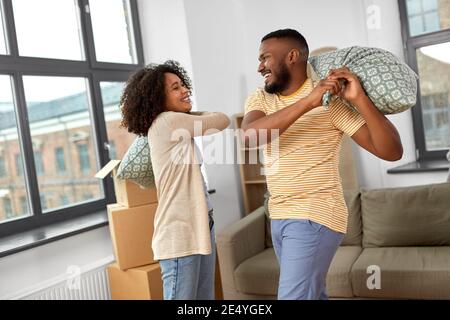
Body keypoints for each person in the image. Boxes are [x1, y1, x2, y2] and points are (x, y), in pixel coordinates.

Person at [241, 29, 403, 300]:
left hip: (314, 214)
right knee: (311, 294)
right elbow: (249, 137)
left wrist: (359, 99)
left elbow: (391, 151)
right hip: (279, 215)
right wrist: (308, 101)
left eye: (265, 58)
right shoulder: (261, 98)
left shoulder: (332, 105)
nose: (259, 67)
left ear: (292, 56)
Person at [120, 60, 230, 300]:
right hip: (179, 232)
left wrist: (189, 113)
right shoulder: (167, 122)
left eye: (183, 85)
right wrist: (191, 113)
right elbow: (221, 120)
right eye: (175, 88)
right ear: (158, 99)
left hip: (202, 224)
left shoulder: (176, 125)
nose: (185, 91)